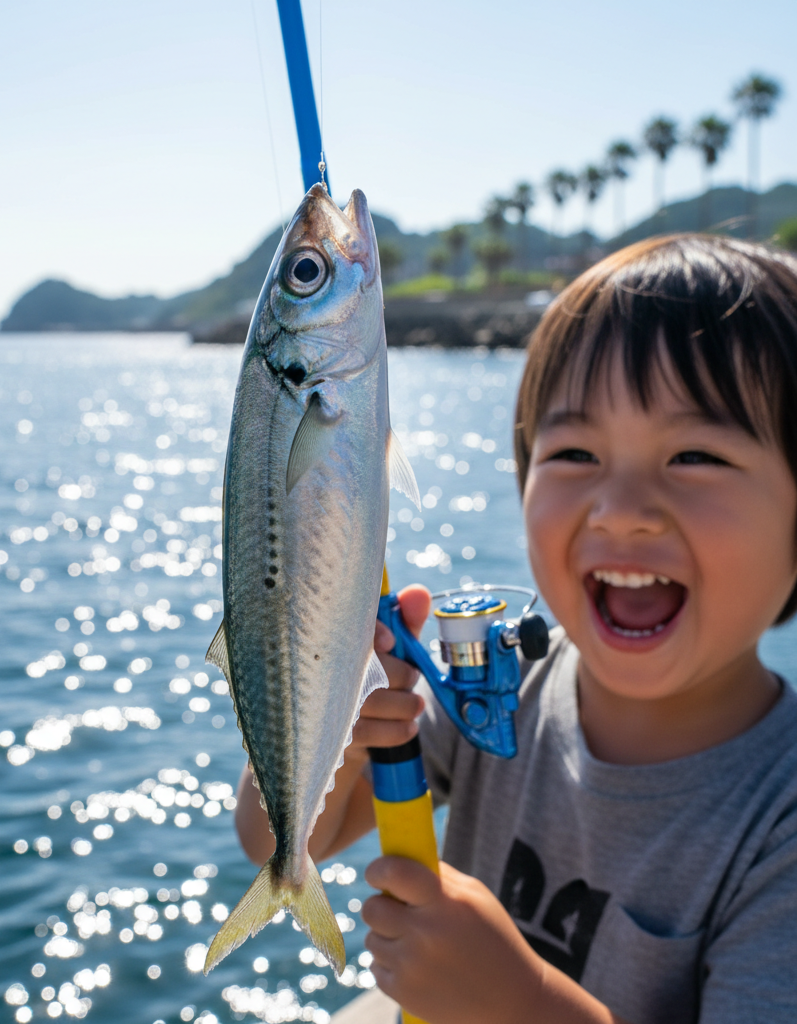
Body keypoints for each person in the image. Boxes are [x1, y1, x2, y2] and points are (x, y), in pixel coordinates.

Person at [233, 234, 797, 1024]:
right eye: (576, 453)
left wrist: (521, 1002)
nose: (621, 511)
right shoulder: (497, 684)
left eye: (696, 455)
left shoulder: (780, 823)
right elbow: (272, 841)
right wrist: (347, 730)